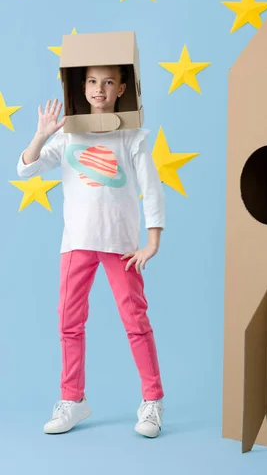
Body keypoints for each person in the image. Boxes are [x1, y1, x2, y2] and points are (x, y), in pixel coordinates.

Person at [17, 65, 165, 438]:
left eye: (109, 82)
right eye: (93, 81)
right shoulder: (69, 135)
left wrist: (152, 240)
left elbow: (152, 186)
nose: (100, 89)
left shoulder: (132, 136)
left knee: (135, 321)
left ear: (122, 89)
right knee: (68, 321)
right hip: (77, 244)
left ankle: (152, 401)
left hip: (120, 246)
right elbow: (26, 170)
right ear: (81, 86)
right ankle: (72, 399)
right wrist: (40, 135)